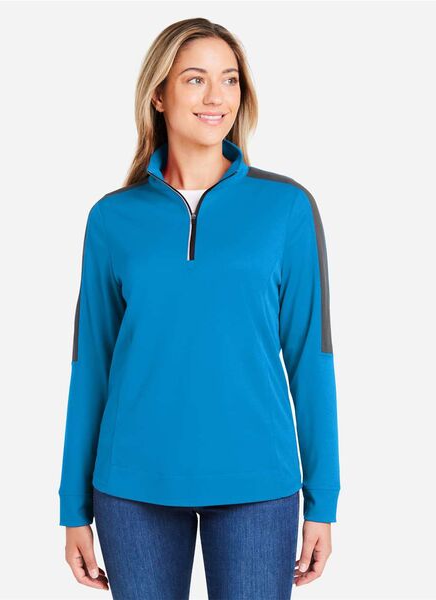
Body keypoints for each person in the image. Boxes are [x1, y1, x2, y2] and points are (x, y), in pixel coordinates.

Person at [58, 17, 341, 600]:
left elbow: (312, 360)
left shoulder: (286, 209)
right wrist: (72, 506)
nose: (217, 97)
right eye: (195, 79)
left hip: (257, 483)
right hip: (132, 485)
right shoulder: (112, 219)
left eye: (229, 79)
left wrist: (323, 500)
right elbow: (91, 368)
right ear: (159, 95)